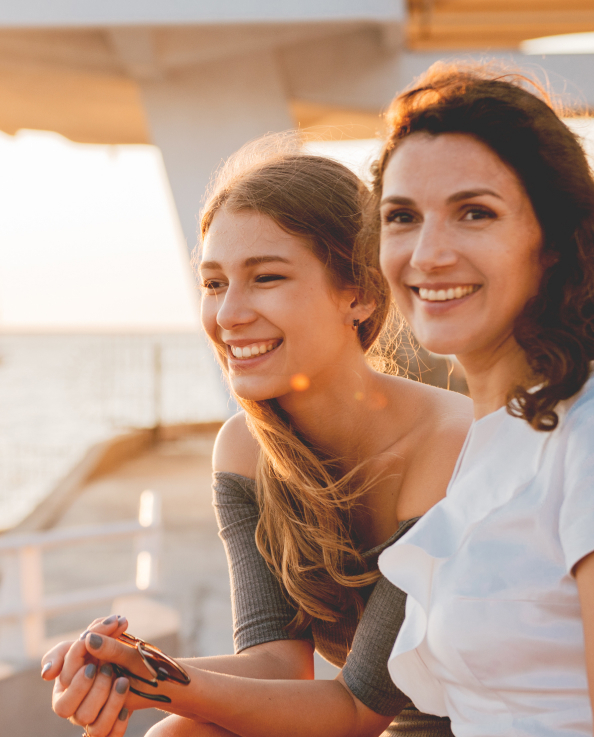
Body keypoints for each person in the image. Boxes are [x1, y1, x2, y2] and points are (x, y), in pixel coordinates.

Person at [41, 137, 471, 737]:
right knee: (178, 733)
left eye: (265, 278)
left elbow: (357, 711)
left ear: (361, 293)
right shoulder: (248, 447)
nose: (229, 315)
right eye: (214, 284)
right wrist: (127, 668)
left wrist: (156, 683)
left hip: (492, 724)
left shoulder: (449, 442)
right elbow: (275, 667)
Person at [367, 63, 594, 737]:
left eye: (475, 212)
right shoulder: (510, 428)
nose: (428, 252)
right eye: (402, 217)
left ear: (554, 243)